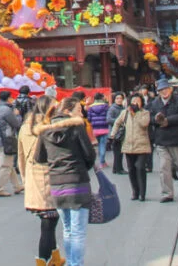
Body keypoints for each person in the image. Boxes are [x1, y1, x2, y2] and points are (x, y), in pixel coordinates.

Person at [35, 97, 96, 266]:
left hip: (56, 184)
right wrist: (82, 166)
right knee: (78, 232)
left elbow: (39, 157)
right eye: (78, 109)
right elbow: (90, 154)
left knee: (68, 229)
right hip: (77, 182)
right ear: (68, 111)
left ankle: (71, 263)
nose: (81, 112)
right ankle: (74, 264)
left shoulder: (45, 130)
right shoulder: (76, 127)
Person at [17, 95, 63, 266]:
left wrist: (25, 179)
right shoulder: (49, 127)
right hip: (48, 177)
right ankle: (44, 261)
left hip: (32, 176)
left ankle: (54, 258)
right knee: (49, 222)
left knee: (49, 220)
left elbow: (20, 157)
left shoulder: (24, 128)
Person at [111, 93, 151, 201]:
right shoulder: (125, 113)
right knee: (131, 169)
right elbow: (117, 123)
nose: (135, 103)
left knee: (140, 167)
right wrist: (113, 134)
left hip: (142, 146)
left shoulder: (145, 113)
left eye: (138, 101)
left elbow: (144, 124)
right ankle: (135, 192)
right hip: (128, 146)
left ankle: (142, 193)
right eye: (133, 101)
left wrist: (136, 113)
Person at [0, 90, 24, 196]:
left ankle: (17, 186)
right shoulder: (7, 110)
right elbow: (17, 124)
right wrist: (17, 115)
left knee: (7, 163)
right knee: (5, 165)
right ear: (8, 98)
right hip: (6, 140)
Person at [86, 92, 111, 169]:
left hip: (95, 128)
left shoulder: (90, 107)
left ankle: (102, 161)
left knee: (99, 144)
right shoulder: (106, 106)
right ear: (101, 98)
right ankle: (102, 162)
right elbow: (108, 117)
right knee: (103, 144)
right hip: (104, 127)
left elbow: (89, 119)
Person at [106, 92, 126, 175]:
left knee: (119, 152)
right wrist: (119, 121)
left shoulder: (123, 108)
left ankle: (116, 168)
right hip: (115, 134)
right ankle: (119, 169)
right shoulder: (112, 108)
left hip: (121, 133)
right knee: (118, 152)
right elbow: (109, 119)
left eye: (121, 98)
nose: (119, 100)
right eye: (117, 98)